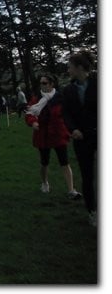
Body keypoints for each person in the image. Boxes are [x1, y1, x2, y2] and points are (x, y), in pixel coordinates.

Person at [24, 73, 82, 200]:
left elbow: (67, 114)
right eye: (40, 83)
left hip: (58, 134)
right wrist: (33, 122)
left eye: (44, 83)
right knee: (44, 162)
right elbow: (29, 113)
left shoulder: (60, 98)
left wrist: (72, 128)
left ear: (51, 84)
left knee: (64, 162)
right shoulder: (36, 99)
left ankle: (71, 190)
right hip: (43, 135)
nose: (42, 85)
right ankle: (45, 183)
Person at [61, 50, 98, 227]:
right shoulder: (68, 90)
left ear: (80, 68)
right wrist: (73, 129)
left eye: (70, 67)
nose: (68, 70)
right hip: (81, 138)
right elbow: (66, 113)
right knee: (87, 175)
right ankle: (93, 211)